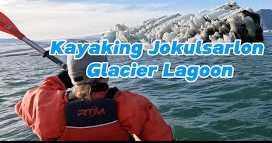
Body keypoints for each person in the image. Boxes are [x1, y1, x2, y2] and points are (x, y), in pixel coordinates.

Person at [15, 52, 174, 141]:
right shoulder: (131, 103)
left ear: (71, 75)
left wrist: (60, 80)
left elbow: (22, 105)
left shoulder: (46, 106)